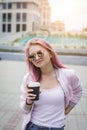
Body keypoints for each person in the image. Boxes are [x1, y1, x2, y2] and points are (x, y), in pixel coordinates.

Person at [20, 38, 82, 130]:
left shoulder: (68, 75)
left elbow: (78, 91)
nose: (36, 58)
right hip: (33, 126)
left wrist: (68, 109)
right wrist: (28, 101)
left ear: (50, 53)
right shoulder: (29, 78)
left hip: (57, 127)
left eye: (40, 53)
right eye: (32, 56)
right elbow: (24, 110)